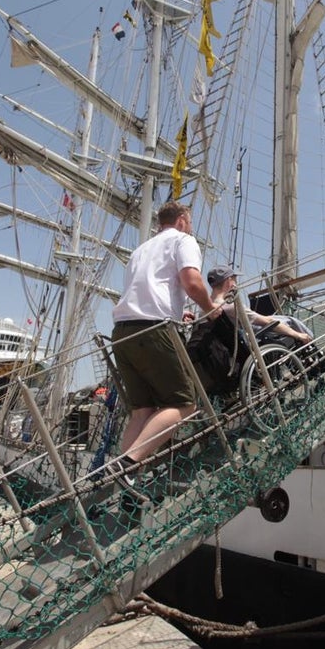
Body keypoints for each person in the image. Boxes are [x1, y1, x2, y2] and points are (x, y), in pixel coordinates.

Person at [109, 202, 220, 481]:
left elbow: (147, 288)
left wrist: (177, 308)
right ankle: (129, 464)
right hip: (153, 331)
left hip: (123, 333)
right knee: (184, 404)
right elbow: (193, 283)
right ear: (182, 220)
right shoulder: (183, 240)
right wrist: (210, 309)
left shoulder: (140, 250)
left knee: (142, 410)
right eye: (190, 221)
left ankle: (120, 474)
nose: (191, 227)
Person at [206, 265, 312, 344]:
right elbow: (267, 322)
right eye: (235, 280)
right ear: (229, 281)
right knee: (289, 321)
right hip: (251, 342)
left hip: (231, 344)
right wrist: (298, 335)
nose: (236, 283)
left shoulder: (205, 309)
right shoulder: (230, 307)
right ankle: (311, 342)